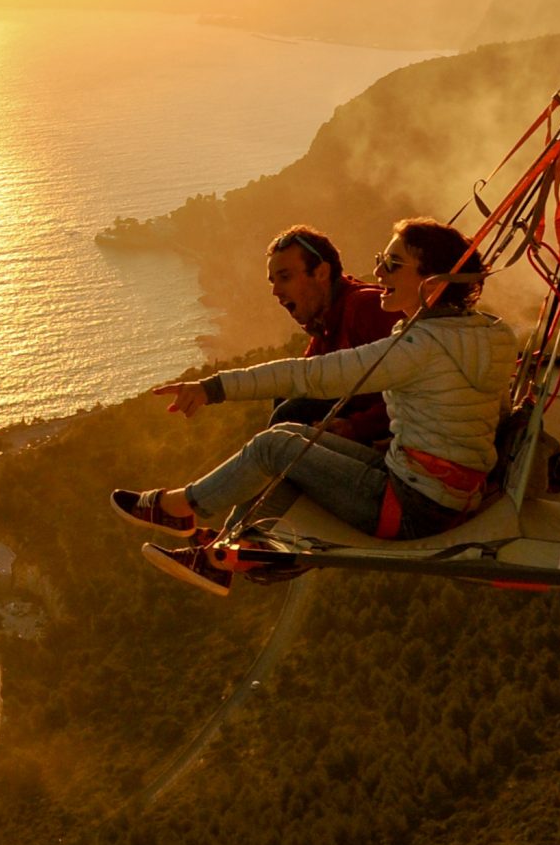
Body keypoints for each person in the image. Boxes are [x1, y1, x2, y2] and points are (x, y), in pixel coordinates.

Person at [114, 217, 515, 598]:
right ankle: (221, 554)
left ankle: (180, 508)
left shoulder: (418, 346)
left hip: (415, 506)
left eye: (393, 265)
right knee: (289, 436)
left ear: (433, 282)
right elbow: (491, 409)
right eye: (381, 261)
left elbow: (309, 375)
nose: (380, 274)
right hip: (439, 489)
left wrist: (214, 388)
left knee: (277, 446)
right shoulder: (492, 335)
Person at [259, 224, 397, 446]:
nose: (276, 291)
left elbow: (418, 389)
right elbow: (303, 380)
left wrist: (356, 427)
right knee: (289, 394)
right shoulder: (327, 322)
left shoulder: (366, 307)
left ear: (322, 272)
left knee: (294, 410)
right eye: (273, 281)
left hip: (397, 451)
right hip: (373, 437)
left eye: (285, 277)